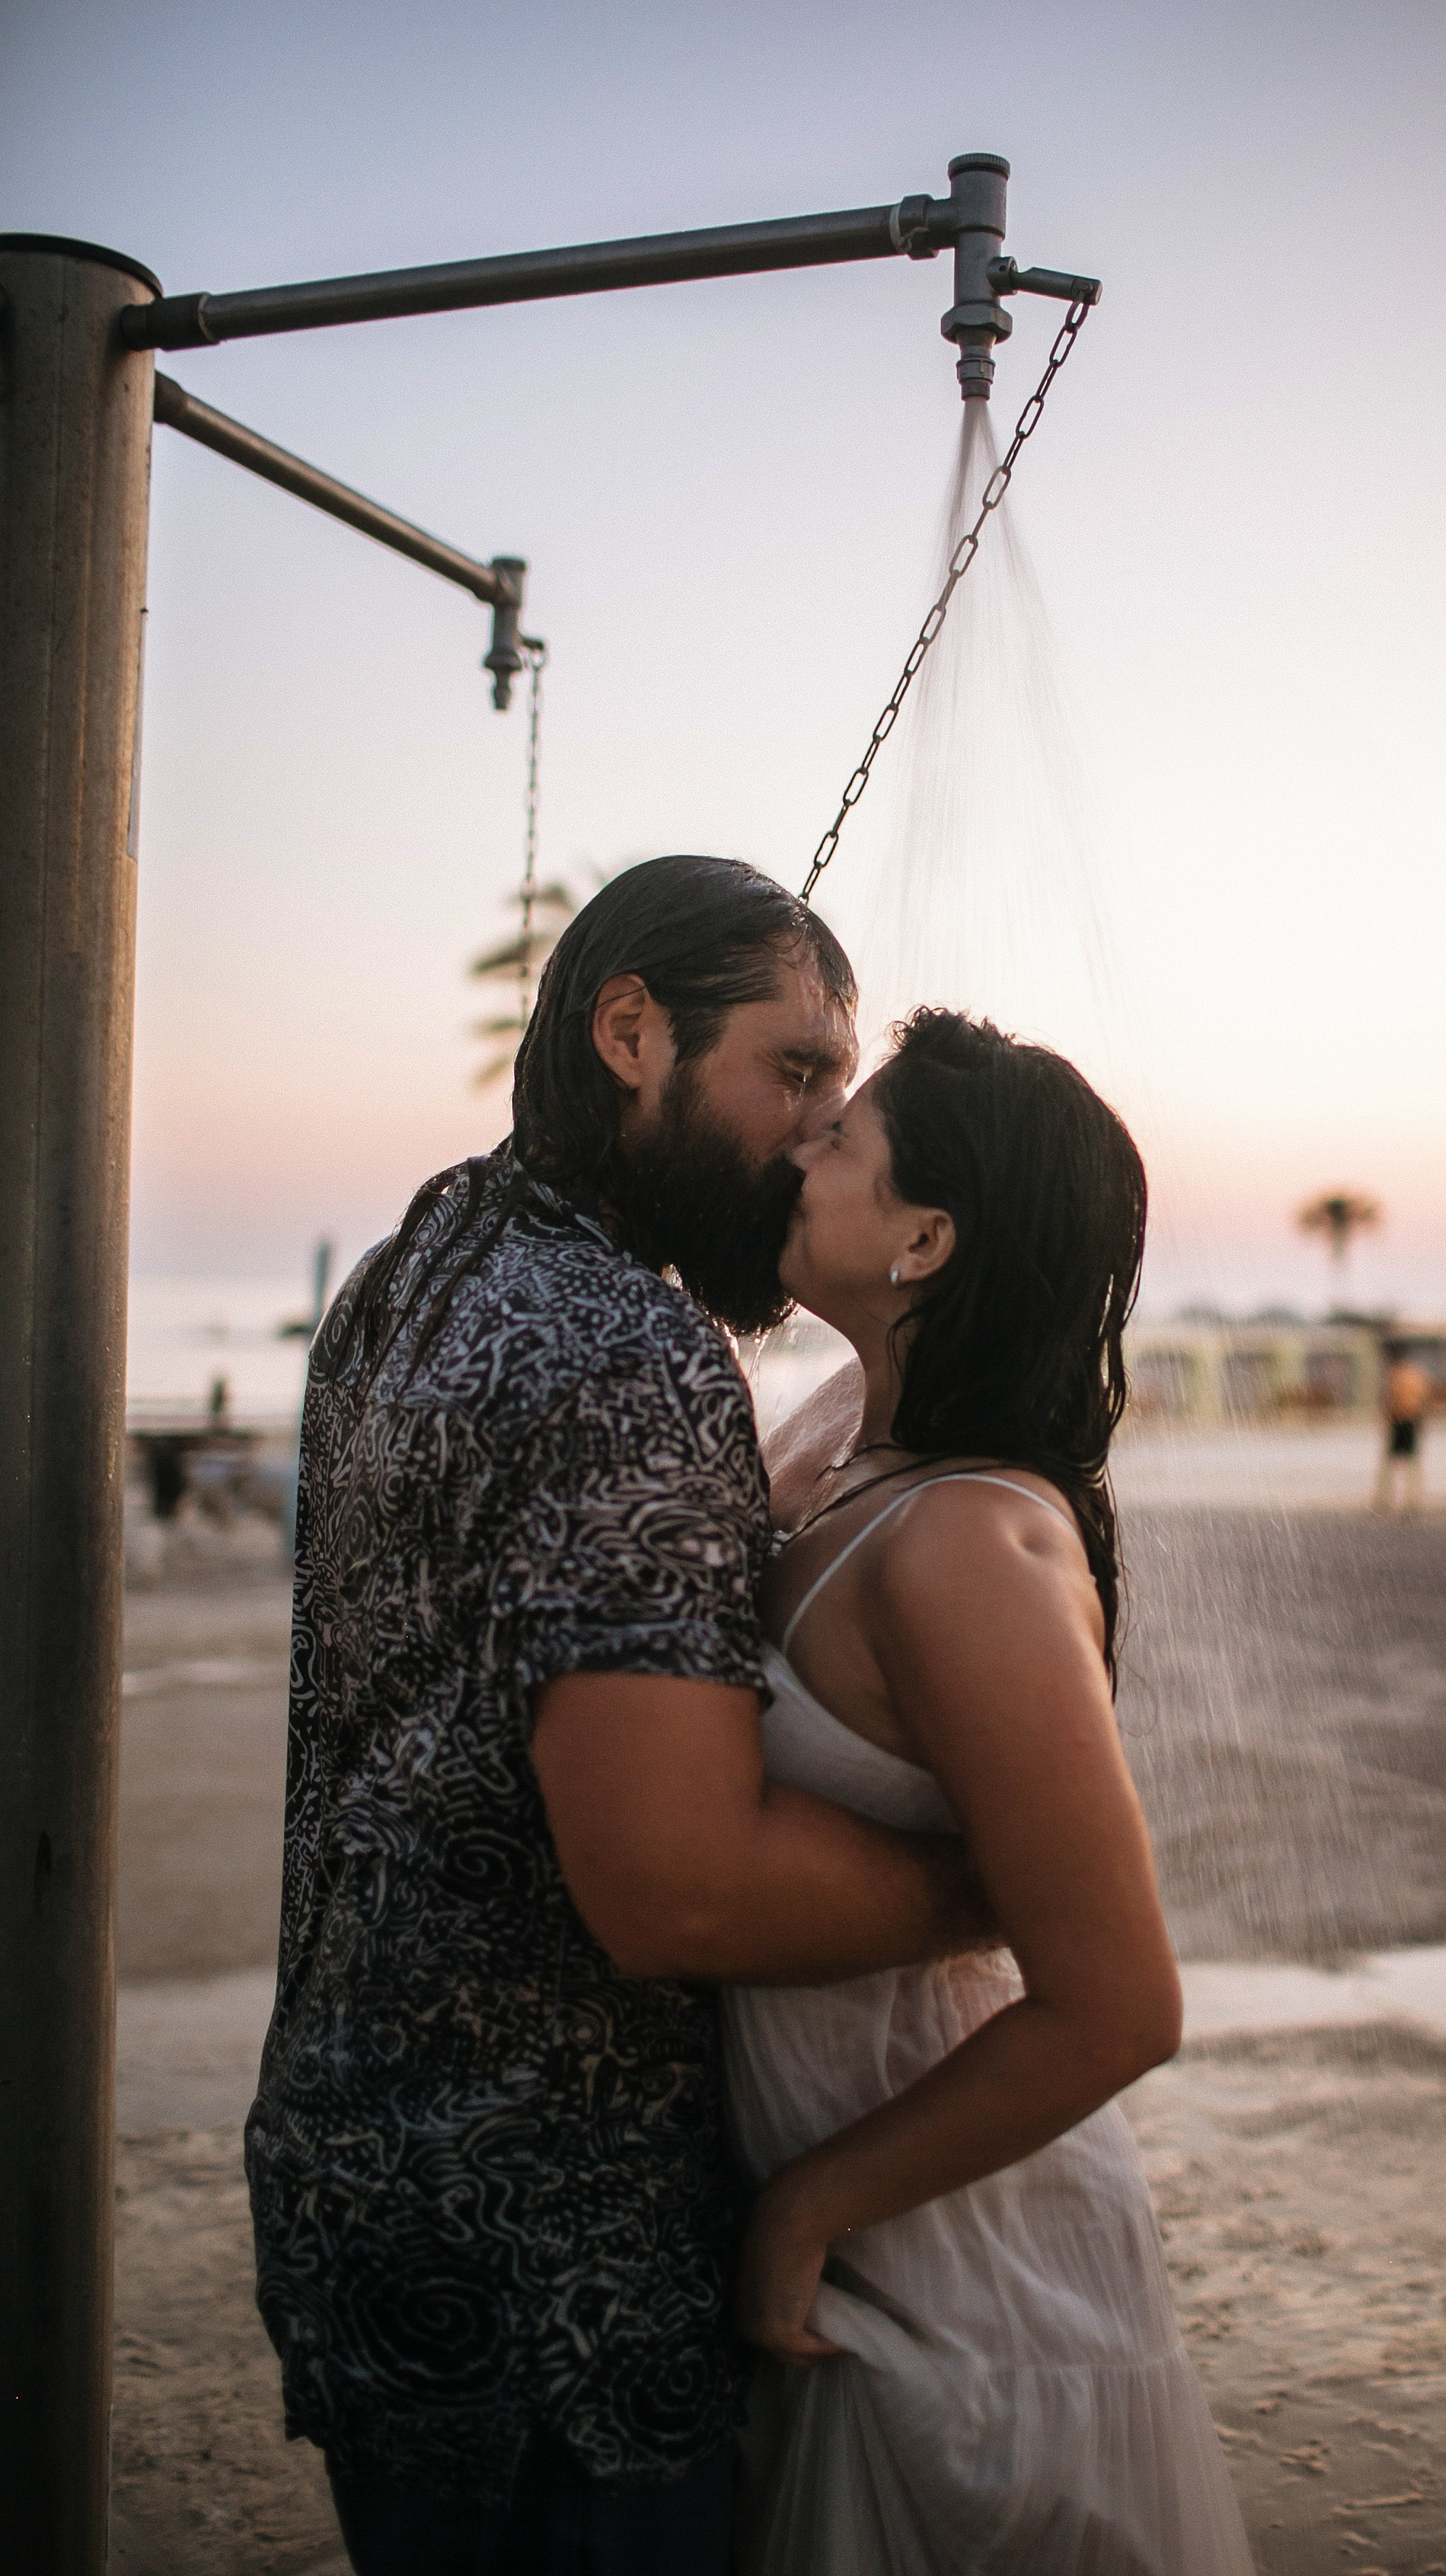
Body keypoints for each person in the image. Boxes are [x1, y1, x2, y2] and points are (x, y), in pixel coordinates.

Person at [246, 860, 992, 2575]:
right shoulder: (623, 1352)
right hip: (555, 2276)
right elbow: (676, 1890)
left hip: (357, 2188)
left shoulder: (413, 1260)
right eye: (793, 1073)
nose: (816, 1135)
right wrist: (995, 1890)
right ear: (631, 1032)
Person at [722, 1009, 1256, 2575]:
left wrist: (807, 2202)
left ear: (925, 1238)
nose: (800, 1142)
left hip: (960, 2274)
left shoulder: (967, 1540)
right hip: (865, 2242)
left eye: (840, 1137)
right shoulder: (836, 1440)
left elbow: (1116, 2002)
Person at [1372, 1339, 1431, 1516]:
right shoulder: (1418, 1374)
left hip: (1398, 1420)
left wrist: (1386, 1420)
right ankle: (1413, 1499)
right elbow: (1425, 1400)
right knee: (1413, 1462)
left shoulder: (1395, 1375)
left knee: (1389, 1463)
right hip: (1413, 1420)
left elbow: (1390, 1400)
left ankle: (1383, 1498)